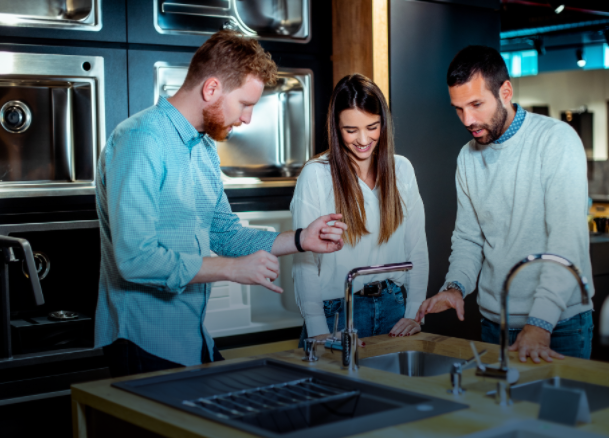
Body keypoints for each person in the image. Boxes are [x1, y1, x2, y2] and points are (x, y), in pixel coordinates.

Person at [95, 30, 347, 378]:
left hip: (191, 336)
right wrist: (231, 269)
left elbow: (226, 233)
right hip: (143, 340)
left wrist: (302, 238)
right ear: (211, 89)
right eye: (245, 104)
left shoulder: (203, 149)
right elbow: (135, 260)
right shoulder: (140, 140)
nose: (247, 119)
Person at [416, 45, 594, 363]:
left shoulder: (556, 140)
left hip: (560, 326)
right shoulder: (467, 157)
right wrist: (455, 286)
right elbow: (470, 239)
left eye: (476, 104)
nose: (468, 119)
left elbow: (565, 244)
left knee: (555, 415)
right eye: (458, 108)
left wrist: (540, 323)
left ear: (506, 91)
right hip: (494, 326)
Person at [292, 74, 428, 346]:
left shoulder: (401, 169)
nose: (363, 139)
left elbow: (417, 250)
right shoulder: (316, 175)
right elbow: (304, 261)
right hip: (337, 313)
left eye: (372, 127)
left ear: (384, 124)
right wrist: (317, 327)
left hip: (394, 307)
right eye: (351, 130)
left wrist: (415, 313)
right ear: (336, 127)